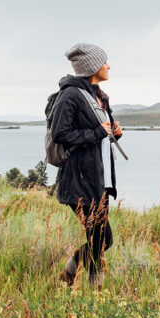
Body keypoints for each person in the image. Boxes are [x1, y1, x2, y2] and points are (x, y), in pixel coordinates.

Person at [50, 43, 122, 288]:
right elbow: (60, 133)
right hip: (79, 181)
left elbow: (102, 136)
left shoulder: (99, 95)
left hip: (100, 180)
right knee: (102, 237)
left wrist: (114, 133)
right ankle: (91, 286)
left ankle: (74, 275)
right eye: (105, 62)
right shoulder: (70, 95)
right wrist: (96, 133)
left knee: (100, 237)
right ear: (92, 66)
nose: (109, 66)